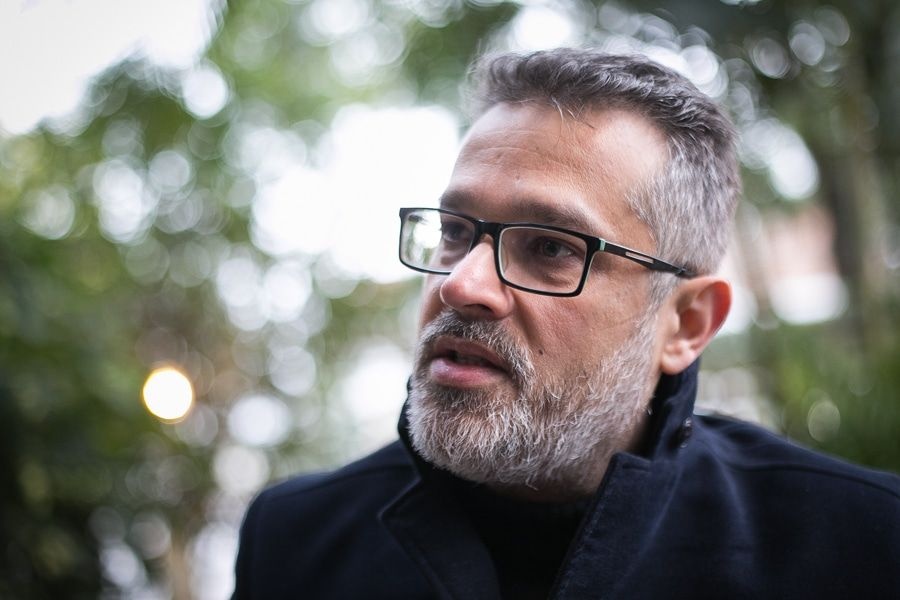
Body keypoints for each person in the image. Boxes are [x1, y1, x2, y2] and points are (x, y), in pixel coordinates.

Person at [232, 48, 900, 599]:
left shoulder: (863, 545)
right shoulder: (294, 541)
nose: (461, 284)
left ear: (685, 324)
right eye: (456, 231)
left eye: (552, 248)